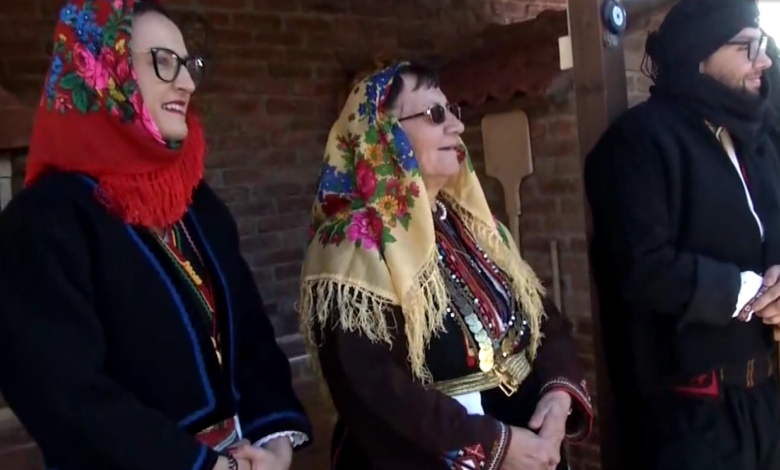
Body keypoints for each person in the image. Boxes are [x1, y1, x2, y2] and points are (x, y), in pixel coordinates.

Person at [0, 1, 311, 470]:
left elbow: (250, 332)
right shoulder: (44, 222)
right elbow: (65, 396)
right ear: (104, 70)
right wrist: (204, 466)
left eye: (188, 65)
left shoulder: (194, 202)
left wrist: (274, 444)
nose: (186, 83)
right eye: (163, 62)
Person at [297, 62, 593, 470]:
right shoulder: (351, 245)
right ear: (384, 136)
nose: (457, 126)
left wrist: (557, 399)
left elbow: (543, 319)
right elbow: (373, 386)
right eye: (435, 115)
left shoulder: (474, 226)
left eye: (452, 110)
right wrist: (495, 446)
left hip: (531, 448)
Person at [584, 0, 780, 469]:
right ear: (699, 54)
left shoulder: (757, 141)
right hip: (691, 421)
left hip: (765, 404)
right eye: (746, 47)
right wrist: (750, 291)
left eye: (763, 44)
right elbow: (641, 267)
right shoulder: (639, 143)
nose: (764, 60)